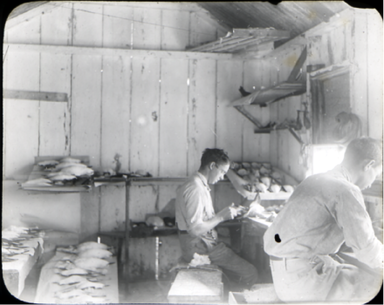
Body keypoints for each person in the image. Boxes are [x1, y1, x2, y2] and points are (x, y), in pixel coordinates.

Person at [263, 137, 383, 303]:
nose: (371, 183)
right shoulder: (346, 189)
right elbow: (366, 248)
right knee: (374, 286)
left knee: (353, 273)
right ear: (368, 165)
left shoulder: (314, 179)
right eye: (376, 175)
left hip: (284, 273)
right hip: (301, 279)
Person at [175, 148, 259, 288]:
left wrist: (229, 212)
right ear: (212, 166)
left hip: (202, 244)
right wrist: (221, 216)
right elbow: (195, 229)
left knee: (238, 257)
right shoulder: (196, 188)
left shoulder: (198, 183)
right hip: (199, 247)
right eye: (222, 172)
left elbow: (202, 220)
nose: (222, 177)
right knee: (251, 273)